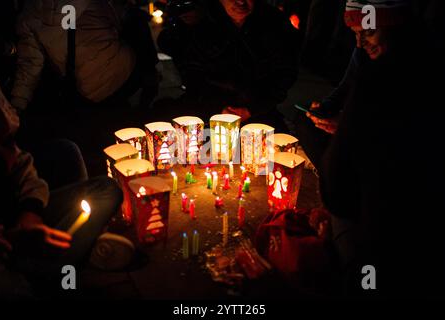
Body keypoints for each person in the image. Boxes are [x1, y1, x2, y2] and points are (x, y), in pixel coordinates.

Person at [317, 0, 445, 297]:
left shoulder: (381, 77)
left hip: (391, 227)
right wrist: (335, 117)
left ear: (396, 25)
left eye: (369, 31)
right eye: (354, 33)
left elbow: (338, 183)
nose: (360, 43)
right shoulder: (425, 59)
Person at [0, 76, 123, 298]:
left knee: (79, 164)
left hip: (10, 209)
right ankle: (61, 275)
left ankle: (61, 257)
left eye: (5, 142)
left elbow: (18, 159)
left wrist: (31, 210)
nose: (6, 156)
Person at [157, 0, 301, 127]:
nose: (240, 2)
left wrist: (252, 109)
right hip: (206, 108)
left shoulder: (273, 22)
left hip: (257, 110)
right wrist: (217, 108)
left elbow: (285, 73)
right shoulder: (201, 21)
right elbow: (192, 75)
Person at [10, 0, 159, 113]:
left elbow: (30, 65)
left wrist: (18, 103)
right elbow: (118, 19)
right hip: (126, 74)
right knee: (136, 18)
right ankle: (150, 80)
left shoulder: (28, 17)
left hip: (87, 93)